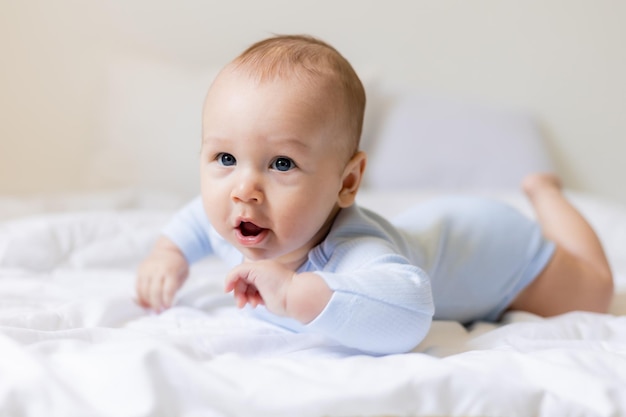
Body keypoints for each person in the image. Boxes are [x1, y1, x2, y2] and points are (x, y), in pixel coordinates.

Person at [135, 34, 614, 355]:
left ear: (347, 182)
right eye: (224, 159)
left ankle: (546, 193)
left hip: (501, 252)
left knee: (593, 292)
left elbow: (410, 314)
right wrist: (168, 253)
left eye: (281, 164)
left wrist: (295, 293)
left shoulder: (357, 253)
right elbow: (198, 217)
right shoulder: (246, 219)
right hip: (443, 229)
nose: (243, 190)